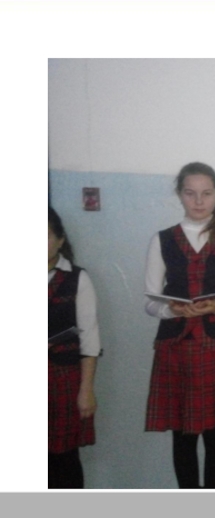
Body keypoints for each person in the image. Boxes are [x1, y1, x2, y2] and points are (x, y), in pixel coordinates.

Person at [144, 162, 215, 489]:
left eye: (206, 193)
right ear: (180, 194)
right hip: (176, 346)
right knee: (183, 434)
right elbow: (150, 302)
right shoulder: (162, 240)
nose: (199, 201)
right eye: (190, 193)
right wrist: (172, 310)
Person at [48, 206, 101, 489]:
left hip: (62, 377)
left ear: (60, 240)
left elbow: (90, 340)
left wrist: (86, 390)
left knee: (64, 458)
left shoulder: (77, 278)